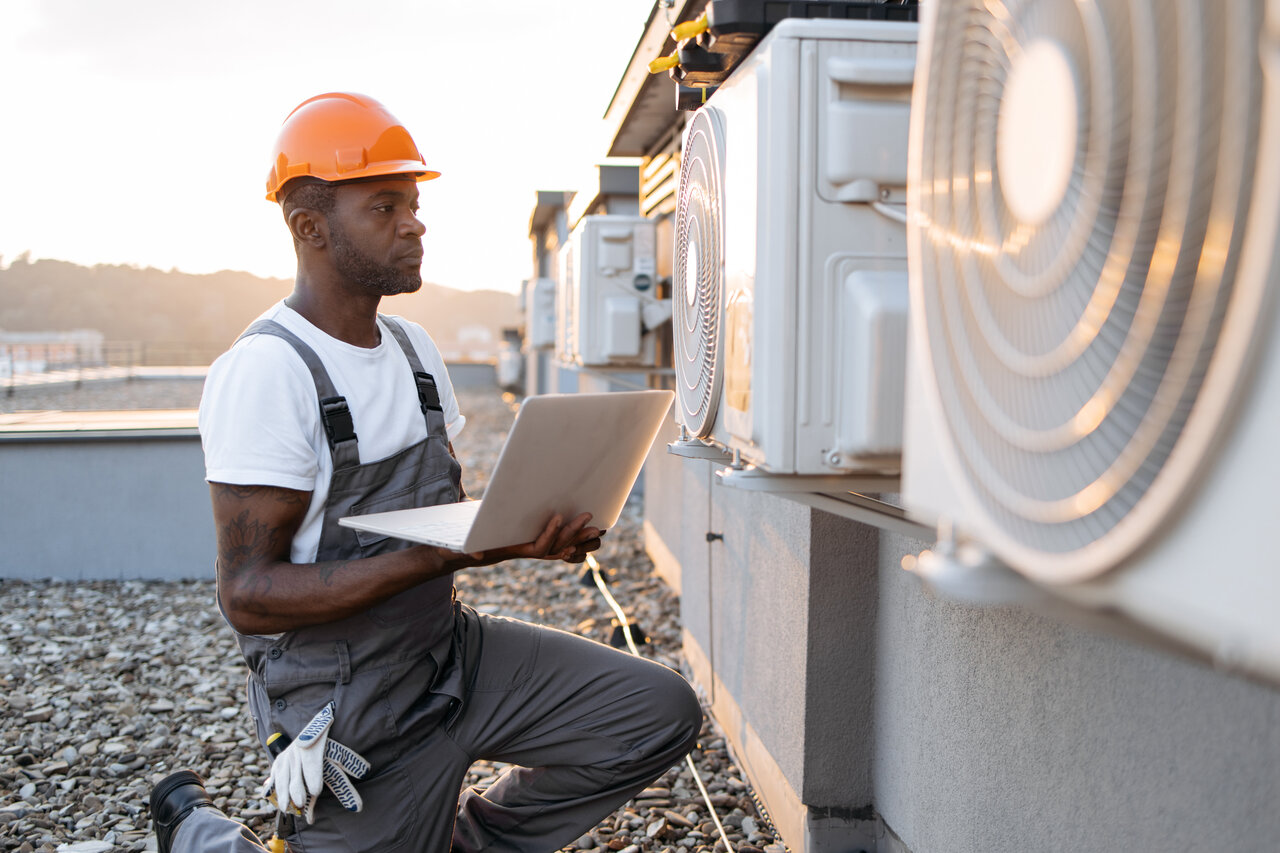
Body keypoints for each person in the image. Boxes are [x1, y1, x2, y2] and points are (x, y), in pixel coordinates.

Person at [151, 92, 702, 853]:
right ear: (309, 227)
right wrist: (440, 555)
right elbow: (247, 595)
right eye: (384, 206)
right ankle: (197, 830)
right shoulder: (267, 373)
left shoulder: (415, 353)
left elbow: (444, 516)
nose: (415, 222)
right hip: (352, 696)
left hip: (450, 654)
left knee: (656, 712)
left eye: (413, 203)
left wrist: (525, 530)